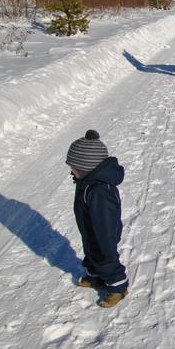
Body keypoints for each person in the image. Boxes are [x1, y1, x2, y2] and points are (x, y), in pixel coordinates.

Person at [66, 129, 128, 308]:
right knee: (91, 252)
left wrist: (106, 241)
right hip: (91, 229)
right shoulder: (87, 182)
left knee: (105, 257)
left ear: (86, 169)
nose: (71, 172)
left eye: (74, 168)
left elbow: (106, 222)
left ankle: (118, 287)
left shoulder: (99, 191)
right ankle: (95, 276)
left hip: (103, 234)